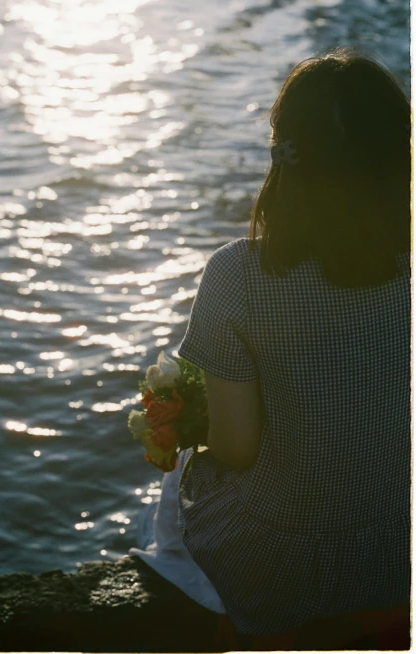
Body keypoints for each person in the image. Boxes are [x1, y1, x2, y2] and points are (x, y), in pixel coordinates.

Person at [173, 47, 411, 638]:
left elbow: (235, 447)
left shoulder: (238, 276)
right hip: (401, 558)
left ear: (286, 158)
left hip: (280, 568)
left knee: (181, 481)